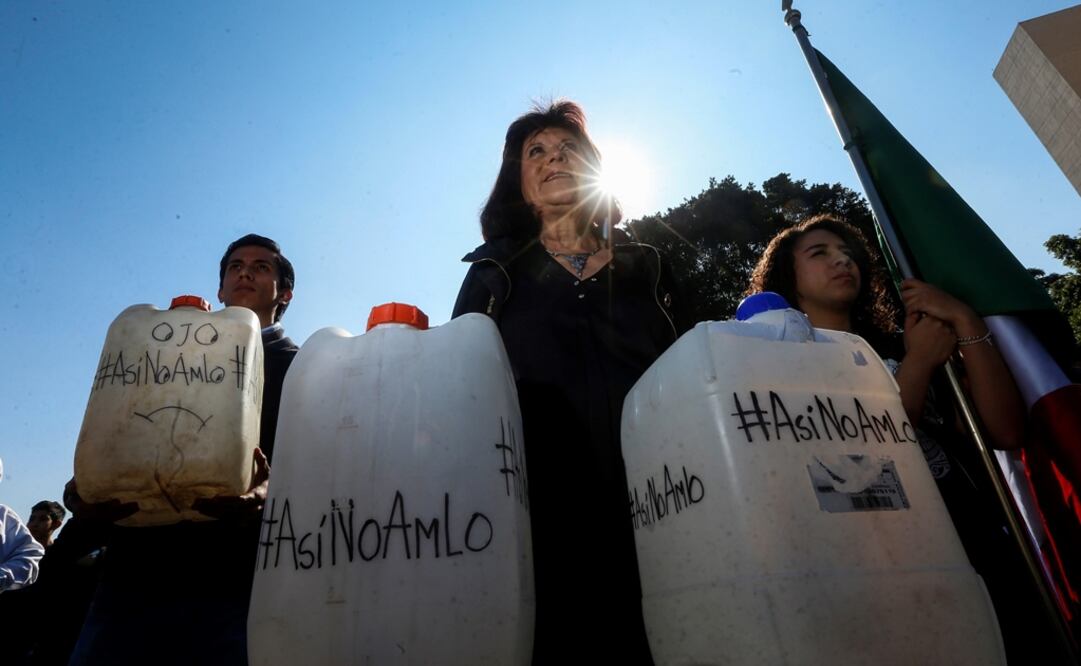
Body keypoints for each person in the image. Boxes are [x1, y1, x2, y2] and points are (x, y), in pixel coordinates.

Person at [746, 213, 1066, 663]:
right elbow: (855, 457)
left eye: (848, 253)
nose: (842, 261)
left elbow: (1004, 429)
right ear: (787, 276)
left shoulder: (906, 343)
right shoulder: (779, 357)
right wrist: (918, 365)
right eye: (820, 253)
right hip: (888, 567)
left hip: (979, 542)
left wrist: (964, 319)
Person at [453, 100, 687, 665]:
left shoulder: (650, 268)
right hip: (540, 527)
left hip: (661, 513)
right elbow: (458, 393)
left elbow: (692, 376)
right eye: (537, 151)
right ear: (520, 183)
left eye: (569, 149)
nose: (555, 157)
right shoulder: (492, 274)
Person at [67, 234, 300, 666]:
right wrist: (81, 493)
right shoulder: (159, 349)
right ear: (220, 289)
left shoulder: (301, 367)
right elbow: (113, 433)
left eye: (261, 266)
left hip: (234, 580)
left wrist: (265, 494)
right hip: (132, 570)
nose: (245, 271)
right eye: (235, 266)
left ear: (284, 294)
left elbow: (321, 468)